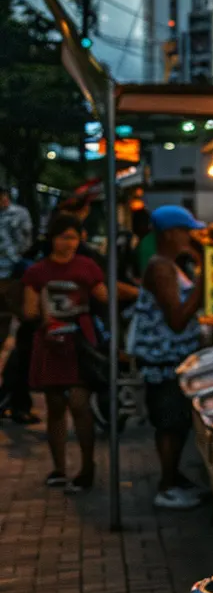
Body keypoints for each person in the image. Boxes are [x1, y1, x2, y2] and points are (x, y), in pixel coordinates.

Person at [22, 213, 107, 491]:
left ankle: (87, 466)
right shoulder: (37, 272)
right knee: (55, 405)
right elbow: (29, 310)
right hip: (50, 343)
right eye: (63, 237)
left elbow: (103, 296)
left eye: (73, 237)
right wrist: (42, 315)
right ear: (52, 239)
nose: (68, 243)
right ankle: (59, 467)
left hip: (80, 344)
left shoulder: (88, 266)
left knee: (80, 404)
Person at [132, 205, 207, 509]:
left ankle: (175, 478)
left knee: (177, 422)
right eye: (187, 231)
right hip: (163, 360)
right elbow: (176, 320)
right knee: (170, 422)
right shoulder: (161, 267)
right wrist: (203, 282)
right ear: (171, 233)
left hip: (172, 358)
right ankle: (167, 486)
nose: (191, 237)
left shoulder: (170, 264)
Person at [0, 188, 34, 422]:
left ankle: (16, 401)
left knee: (22, 340)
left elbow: (25, 242)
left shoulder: (18, 214)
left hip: (12, 279)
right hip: (10, 278)